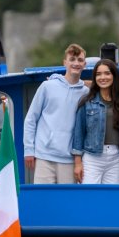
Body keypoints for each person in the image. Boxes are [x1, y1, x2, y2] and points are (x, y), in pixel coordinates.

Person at [23, 43, 88, 184]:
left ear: (85, 64)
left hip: (69, 159)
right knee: (43, 200)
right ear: (65, 62)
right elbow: (31, 119)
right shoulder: (47, 86)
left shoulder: (86, 93)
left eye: (80, 60)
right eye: (72, 59)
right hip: (44, 156)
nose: (76, 63)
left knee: (66, 203)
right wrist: (29, 150)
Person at [70, 59, 119, 184]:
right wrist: (78, 163)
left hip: (115, 157)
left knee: (111, 199)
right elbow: (78, 132)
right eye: (98, 74)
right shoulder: (86, 102)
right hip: (92, 157)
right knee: (89, 197)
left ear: (113, 76)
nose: (103, 77)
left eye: (107, 73)